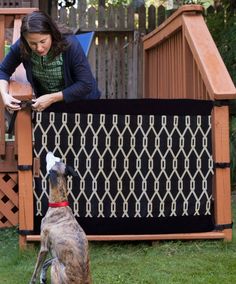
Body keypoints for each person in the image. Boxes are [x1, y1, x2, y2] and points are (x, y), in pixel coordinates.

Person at [0, 10, 101, 113]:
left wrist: (51, 98)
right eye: (33, 43)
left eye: (43, 41)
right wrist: (4, 95)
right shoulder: (21, 46)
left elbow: (85, 84)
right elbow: (3, 70)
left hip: (84, 104)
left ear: (52, 34)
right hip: (50, 107)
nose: (39, 48)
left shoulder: (70, 44)